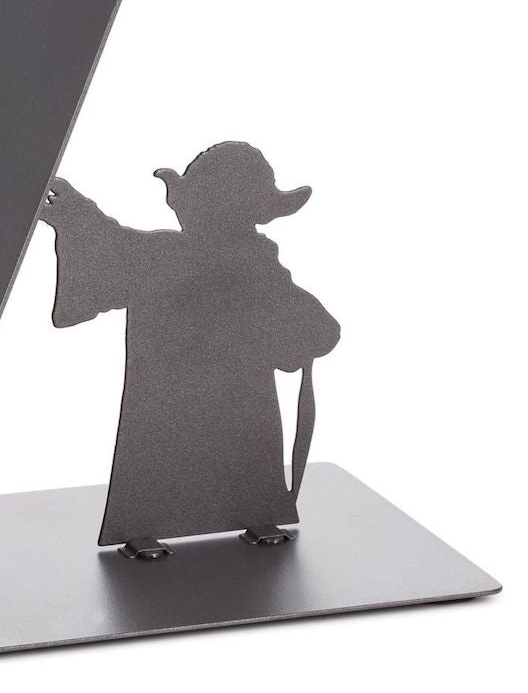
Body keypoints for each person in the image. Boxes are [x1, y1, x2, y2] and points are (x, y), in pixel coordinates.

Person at [40, 141, 340, 545]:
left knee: (196, 473)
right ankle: (225, 521)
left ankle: (238, 519)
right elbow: (318, 331)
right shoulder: (231, 263)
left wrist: (78, 217)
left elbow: (317, 329)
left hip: (213, 420)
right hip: (193, 416)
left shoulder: (233, 263)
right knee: (189, 469)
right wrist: (79, 216)